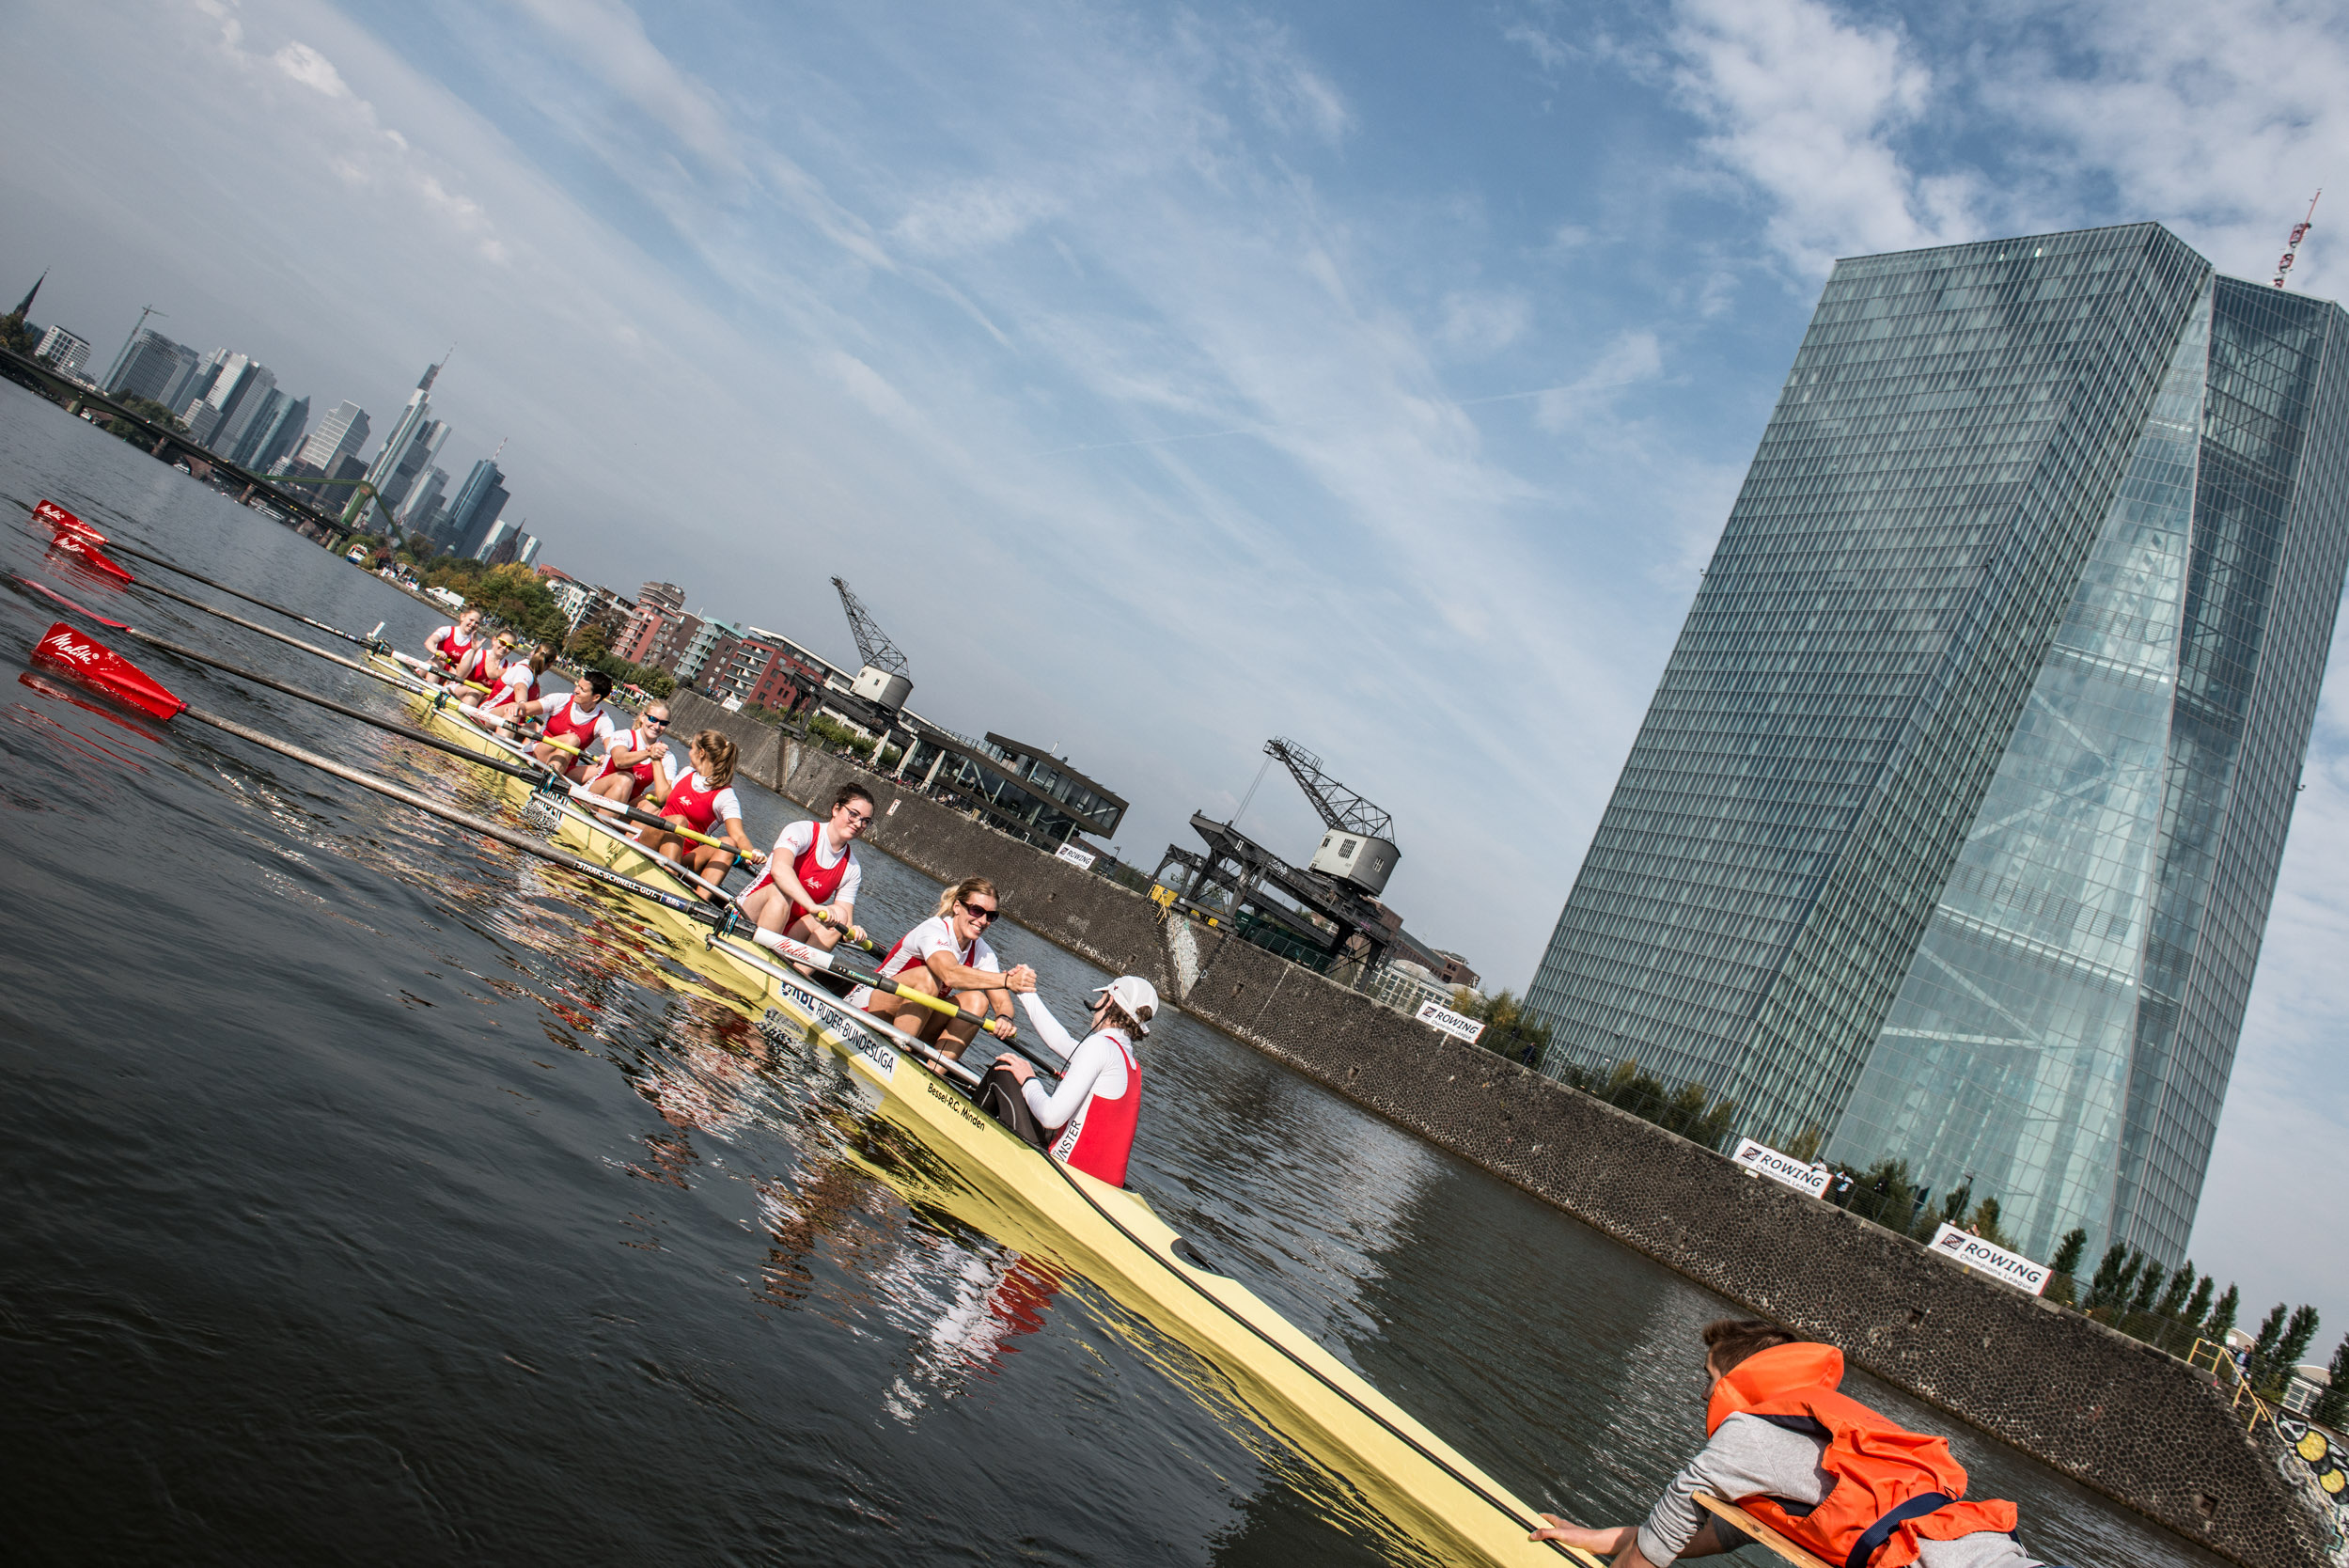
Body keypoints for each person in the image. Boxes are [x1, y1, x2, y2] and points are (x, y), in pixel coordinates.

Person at [1532, 1319, 2054, 1568]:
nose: (1703, 1392)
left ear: (1736, 1382)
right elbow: (1732, 1532)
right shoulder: (1817, 1429)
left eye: (1710, 1377)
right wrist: (1596, 1538)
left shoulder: (1745, 1437)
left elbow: (1650, 1557)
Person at [984, 976, 1154, 1187]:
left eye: (1102, 996)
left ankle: (967, 1132)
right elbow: (1061, 1041)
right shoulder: (1130, 1064)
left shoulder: (1099, 1046)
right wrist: (1025, 993)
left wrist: (1029, 1079)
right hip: (1104, 1185)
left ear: (1109, 1002)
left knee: (1004, 1072)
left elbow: (1050, 1118)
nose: (1098, 1003)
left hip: (1064, 1175)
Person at [854, 876, 1034, 1059]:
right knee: (929, 977)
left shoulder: (982, 952)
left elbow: (1002, 1002)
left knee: (978, 1000)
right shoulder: (933, 929)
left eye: (991, 916)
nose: (982, 920)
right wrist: (1007, 980)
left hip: (914, 1021)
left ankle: (934, 1072)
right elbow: (949, 974)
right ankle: (896, 1056)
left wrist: (1004, 1018)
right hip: (870, 1006)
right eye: (976, 910)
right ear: (957, 907)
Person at [739, 782, 872, 954]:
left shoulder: (852, 868)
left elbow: (845, 928)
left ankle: (791, 975)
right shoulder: (802, 831)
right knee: (781, 891)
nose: (858, 824)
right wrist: (812, 906)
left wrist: (855, 932)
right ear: (836, 809)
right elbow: (779, 870)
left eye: (865, 821)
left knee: (838, 915)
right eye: (854, 814)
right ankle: (761, 956)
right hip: (748, 913)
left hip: (788, 931)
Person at [638, 729, 765, 896]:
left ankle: (699, 902)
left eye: (691, 748)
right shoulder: (686, 773)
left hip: (685, 858)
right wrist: (656, 760)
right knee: (678, 821)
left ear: (701, 752)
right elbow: (662, 797)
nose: (689, 752)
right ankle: (670, 882)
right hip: (651, 841)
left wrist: (752, 853)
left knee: (728, 844)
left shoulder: (725, 796)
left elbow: (738, 835)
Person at [584, 701, 674, 808]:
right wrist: (649, 753)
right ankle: (604, 820)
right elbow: (619, 761)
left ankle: (613, 820)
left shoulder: (668, 756)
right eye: (653, 720)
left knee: (655, 798)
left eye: (663, 723)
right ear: (642, 717)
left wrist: (657, 761)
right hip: (593, 795)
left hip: (624, 805)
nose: (657, 726)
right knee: (625, 779)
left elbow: (664, 798)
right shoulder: (624, 735)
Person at [533, 668, 617, 779]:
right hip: (539, 753)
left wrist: (608, 755)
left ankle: (552, 780)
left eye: (582, 689)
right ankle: (549, 781)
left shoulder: (603, 720)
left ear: (596, 697)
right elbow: (527, 708)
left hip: (565, 767)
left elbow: (612, 747)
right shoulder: (562, 699)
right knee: (572, 739)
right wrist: (520, 706)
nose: (576, 690)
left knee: (609, 769)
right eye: (578, 685)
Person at [479, 640, 556, 725]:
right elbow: (520, 688)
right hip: (487, 716)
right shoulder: (524, 671)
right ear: (550, 665)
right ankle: (503, 736)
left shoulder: (533, 677)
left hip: (507, 720)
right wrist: (522, 704)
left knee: (536, 726)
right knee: (514, 709)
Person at [422, 607, 482, 685]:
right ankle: (428, 685)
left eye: (477, 622)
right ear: (462, 617)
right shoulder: (447, 630)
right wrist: (436, 651)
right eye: (471, 620)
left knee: (455, 670)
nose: (473, 624)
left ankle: (443, 691)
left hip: (450, 677)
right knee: (440, 661)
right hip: (433, 668)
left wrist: (474, 650)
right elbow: (429, 642)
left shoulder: (476, 645)